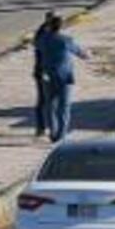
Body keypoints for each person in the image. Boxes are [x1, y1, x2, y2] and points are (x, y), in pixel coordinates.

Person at [33, 14, 89, 142]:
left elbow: (36, 43)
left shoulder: (43, 40)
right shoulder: (66, 40)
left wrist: (43, 29)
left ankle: (53, 133)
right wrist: (88, 54)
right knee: (64, 108)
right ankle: (61, 135)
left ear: (49, 26)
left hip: (47, 76)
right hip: (65, 77)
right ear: (61, 26)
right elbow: (81, 53)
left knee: (50, 106)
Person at [30, 11, 57, 138]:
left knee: (48, 101)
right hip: (43, 71)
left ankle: (48, 127)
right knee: (43, 100)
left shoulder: (47, 32)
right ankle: (42, 127)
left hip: (48, 70)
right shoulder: (43, 33)